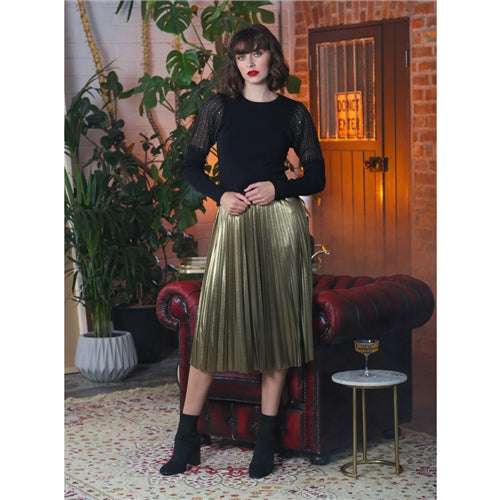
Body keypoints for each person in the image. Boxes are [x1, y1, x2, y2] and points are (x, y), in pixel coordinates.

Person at [160, 23, 325, 479]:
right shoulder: (219, 107)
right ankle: (186, 442)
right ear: (234, 62)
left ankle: (265, 446)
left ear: (272, 57)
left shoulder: (294, 113)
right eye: (241, 55)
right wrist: (221, 194)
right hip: (233, 225)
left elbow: (317, 176)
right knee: (211, 334)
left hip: (281, 227)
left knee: (276, 333)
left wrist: (278, 187)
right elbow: (191, 165)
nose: (250, 63)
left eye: (257, 53)